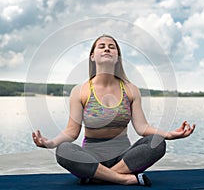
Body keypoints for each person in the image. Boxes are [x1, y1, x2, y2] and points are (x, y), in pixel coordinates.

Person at [32, 34, 195, 186]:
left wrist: (169, 135)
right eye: (101, 46)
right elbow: (71, 132)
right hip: (91, 159)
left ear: (117, 57)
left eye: (112, 46)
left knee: (157, 142)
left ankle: (98, 178)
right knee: (64, 150)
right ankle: (123, 179)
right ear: (92, 56)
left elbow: (142, 128)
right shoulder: (80, 91)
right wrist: (50, 143)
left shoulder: (131, 90)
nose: (107, 48)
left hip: (125, 159)